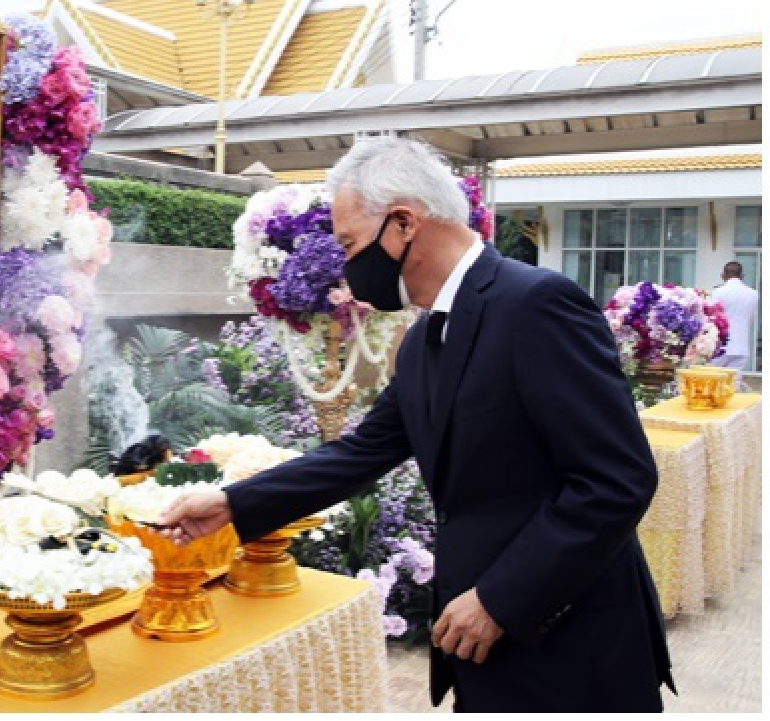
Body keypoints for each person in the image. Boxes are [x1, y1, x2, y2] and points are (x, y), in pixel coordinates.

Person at [161, 136, 674, 712]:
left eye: (351, 244)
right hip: (483, 636)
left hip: (569, 638)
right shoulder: (428, 337)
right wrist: (233, 505)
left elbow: (616, 481)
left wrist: (502, 600)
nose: (349, 267)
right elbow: (362, 453)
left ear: (403, 223)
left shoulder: (535, 304)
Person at [711, 261, 760, 386]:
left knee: (713, 383)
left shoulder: (717, 292)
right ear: (742, 276)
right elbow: (751, 316)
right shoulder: (753, 294)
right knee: (733, 385)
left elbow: (712, 317)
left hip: (721, 346)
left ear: (723, 276)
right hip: (742, 346)